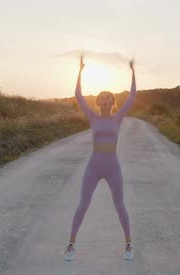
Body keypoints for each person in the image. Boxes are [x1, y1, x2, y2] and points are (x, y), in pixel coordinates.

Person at [63, 55, 137, 261]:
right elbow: (78, 95)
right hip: (93, 167)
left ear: (113, 102)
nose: (104, 102)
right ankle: (70, 245)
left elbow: (132, 96)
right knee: (83, 204)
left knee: (120, 205)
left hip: (112, 167)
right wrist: (80, 70)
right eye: (101, 99)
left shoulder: (118, 118)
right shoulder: (93, 118)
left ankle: (129, 245)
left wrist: (132, 72)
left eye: (108, 99)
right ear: (98, 102)